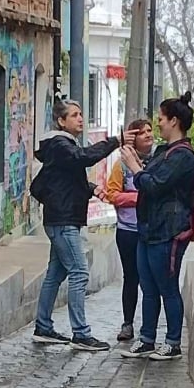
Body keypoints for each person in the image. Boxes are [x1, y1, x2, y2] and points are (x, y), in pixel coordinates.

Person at [31, 98, 120, 351]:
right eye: (74, 115)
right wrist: (114, 142)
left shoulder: (59, 146)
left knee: (56, 273)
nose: (80, 119)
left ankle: (43, 327)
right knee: (79, 272)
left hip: (61, 217)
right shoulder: (60, 144)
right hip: (63, 220)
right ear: (61, 121)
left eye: (81, 114)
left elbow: (63, 179)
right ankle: (80, 333)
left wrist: (91, 188)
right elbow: (83, 158)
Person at [120, 92, 194, 362]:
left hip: (169, 231)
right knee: (148, 288)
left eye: (162, 119)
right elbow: (150, 177)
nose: (159, 124)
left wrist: (134, 169)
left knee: (167, 287)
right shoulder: (163, 152)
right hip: (148, 228)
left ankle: (173, 342)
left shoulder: (183, 156)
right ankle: (147, 339)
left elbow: (153, 185)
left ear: (174, 121)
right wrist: (134, 159)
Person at [103, 118, 155, 342]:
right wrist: (140, 197)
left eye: (150, 131)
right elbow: (112, 194)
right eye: (143, 132)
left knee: (151, 281)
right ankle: (128, 323)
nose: (149, 135)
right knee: (131, 277)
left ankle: (149, 328)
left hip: (153, 231)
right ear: (133, 138)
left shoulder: (158, 162)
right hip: (128, 231)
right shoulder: (121, 166)